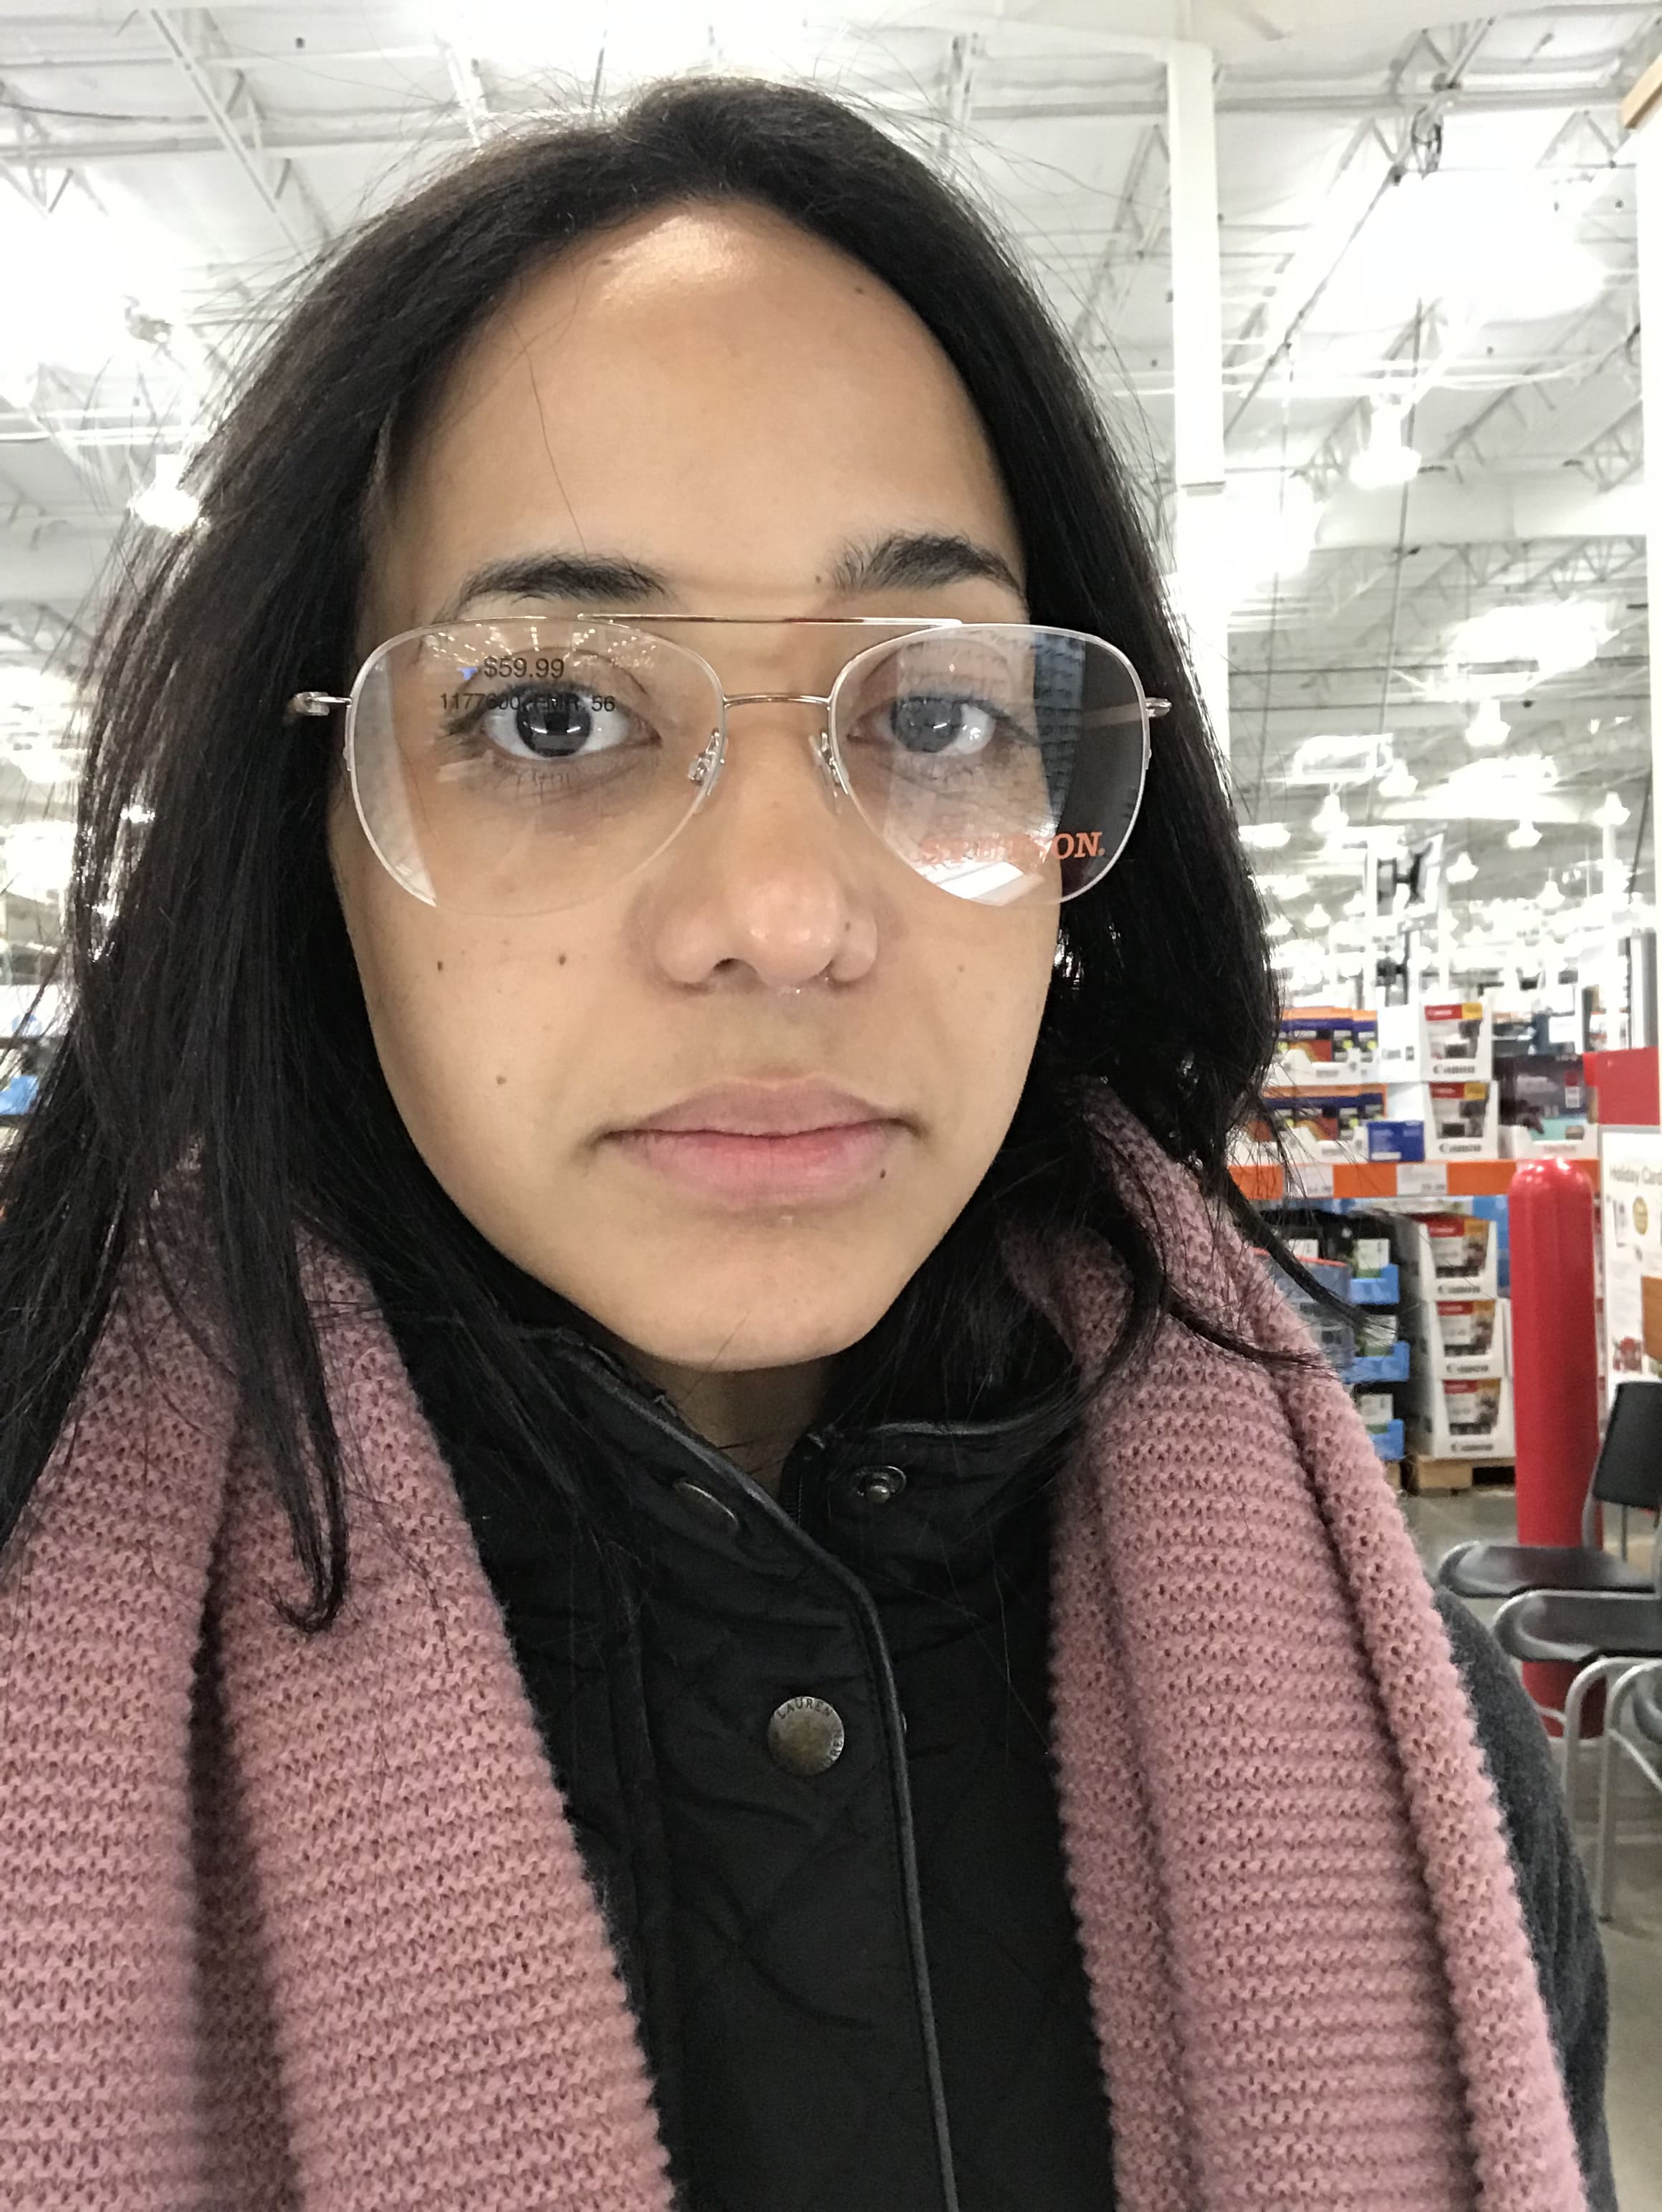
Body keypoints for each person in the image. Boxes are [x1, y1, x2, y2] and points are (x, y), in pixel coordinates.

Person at [0, 78, 1613, 2212]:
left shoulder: (1408, 1753)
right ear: (312, 843)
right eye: (553, 714)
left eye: (934, 713)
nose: (781, 916)